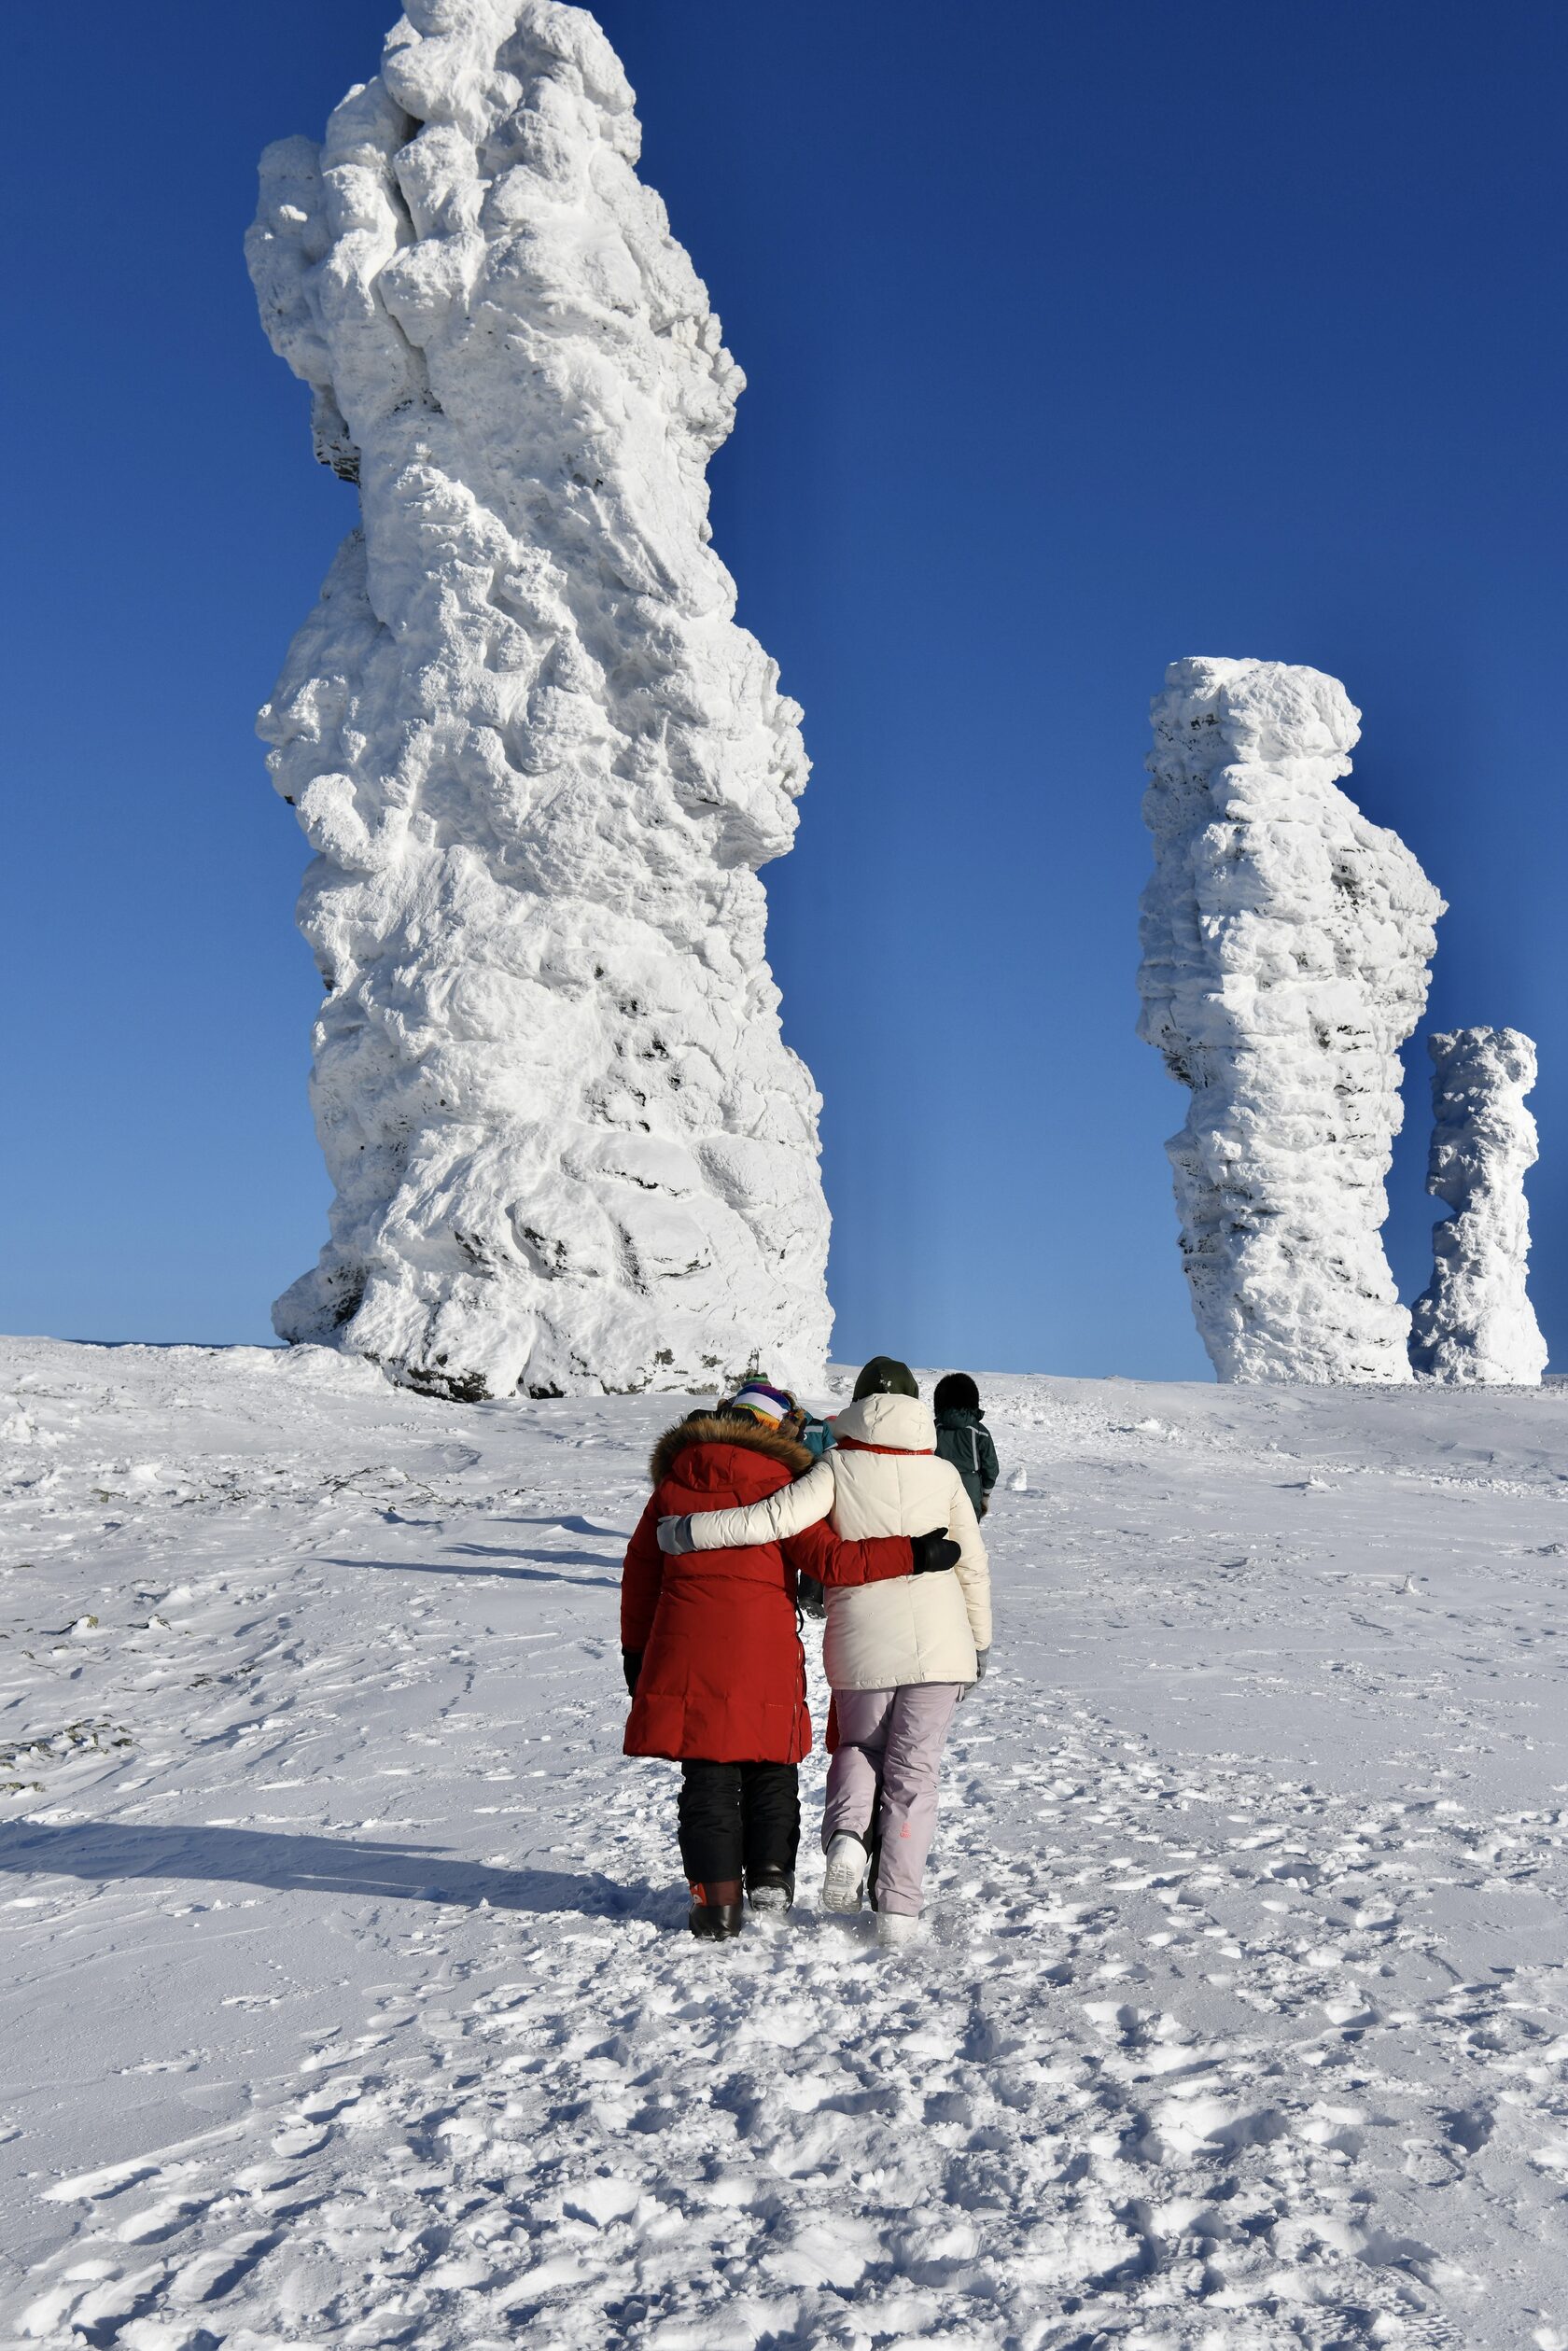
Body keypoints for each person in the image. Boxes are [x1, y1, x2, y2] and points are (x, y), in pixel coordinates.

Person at [658, 1356, 990, 1948]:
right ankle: (898, 1912)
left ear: (858, 1404)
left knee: (859, 1746)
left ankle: (846, 1838)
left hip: (861, 1642)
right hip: (942, 1647)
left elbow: (770, 1519)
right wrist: (980, 1640)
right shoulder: (942, 1473)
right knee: (915, 1774)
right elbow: (973, 1566)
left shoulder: (836, 1465)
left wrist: (689, 1532)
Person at [932, 1371, 1001, 1518]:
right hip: (970, 1495)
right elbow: (991, 1467)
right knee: (968, 1539)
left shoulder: (931, 1429)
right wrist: (985, 1496)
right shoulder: (980, 1432)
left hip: (936, 1493)